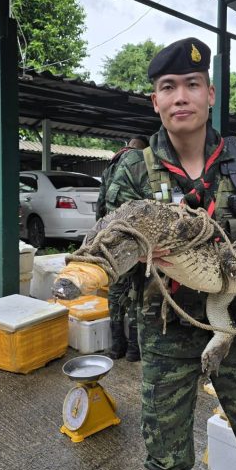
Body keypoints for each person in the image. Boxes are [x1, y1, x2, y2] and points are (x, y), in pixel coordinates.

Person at [105, 37, 236, 470]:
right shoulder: (133, 169)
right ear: (155, 101)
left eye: (192, 84)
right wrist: (137, 252)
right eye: (168, 87)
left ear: (210, 94)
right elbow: (107, 247)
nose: (181, 97)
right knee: (167, 463)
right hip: (164, 328)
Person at [96, 135, 149, 362]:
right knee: (138, 290)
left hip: (112, 238)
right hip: (135, 239)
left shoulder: (112, 164)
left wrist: (101, 236)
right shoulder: (142, 163)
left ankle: (117, 346)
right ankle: (134, 350)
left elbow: (100, 203)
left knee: (116, 290)